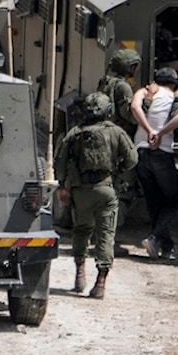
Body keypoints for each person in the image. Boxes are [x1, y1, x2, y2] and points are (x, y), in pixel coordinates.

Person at [55, 92, 138, 299]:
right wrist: (118, 169)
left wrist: (62, 187)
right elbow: (133, 159)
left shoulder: (75, 133)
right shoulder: (115, 132)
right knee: (105, 235)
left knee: (81, 230)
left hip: (80, 191)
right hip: (106, 190)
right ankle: (100, 283)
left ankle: (79, 274)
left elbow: (60, 163)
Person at [130, 67, 178, 260]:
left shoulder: (144, 92)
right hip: (161, 154)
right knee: (173, 199)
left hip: (139, 152)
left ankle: (164, 245)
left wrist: (149, 130)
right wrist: (160, 133)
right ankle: (156, 238)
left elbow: (134, 107)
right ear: (174, 84)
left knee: (153, 199)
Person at [96, 47, 142, 249]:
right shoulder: (123, 87)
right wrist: (144, 103)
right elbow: (129, 115)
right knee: (123, 191)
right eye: (133, 66)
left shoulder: (104, 82)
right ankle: (108, 237)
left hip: (104, 139)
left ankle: (98, 233)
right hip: (119, 143)